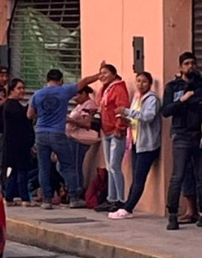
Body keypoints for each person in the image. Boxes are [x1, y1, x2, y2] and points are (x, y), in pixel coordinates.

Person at [29, 67, 105, 210]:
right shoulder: (64, 91)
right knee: (68, 165)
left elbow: (29, 114)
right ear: (61, 80)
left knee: (43, 167)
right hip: (58, 133)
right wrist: (99, 73)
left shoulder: (37, 94)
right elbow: (85, 81)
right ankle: (74, 197)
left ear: (47, 80)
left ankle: (47, 200)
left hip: (41, 133)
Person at [162, 51, 202, 231]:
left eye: (193, 63)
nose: (190, 67)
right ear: (180, 67)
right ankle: (172, 215)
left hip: (201, 136)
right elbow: (166, 111)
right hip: (181, 136)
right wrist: (182, 101)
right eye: (186, 64)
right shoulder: (173, 87)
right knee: (178, 176)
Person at [109, 71, 161, 219]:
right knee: (135, 177)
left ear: (150, 84)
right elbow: (136, 120)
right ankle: (127, 206)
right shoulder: (137, 98)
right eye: (138, 81)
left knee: (139, 178)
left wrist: (127, 112)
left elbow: (148, 117)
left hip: (147, 145)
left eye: (144, 82)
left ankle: (128, 208)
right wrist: (127, 120)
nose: (140, 85)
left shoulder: (152, 99)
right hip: (136, 142)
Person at [94, 64, 131, 213]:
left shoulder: (118, 89)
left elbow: (121, 110)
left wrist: (119, 127)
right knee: (110, 167)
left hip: (116, 132)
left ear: (114, 74)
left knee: (115, 166)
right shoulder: (105, 89)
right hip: (106, 131)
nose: (101, 76)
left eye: (105, 73)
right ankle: (111, 198)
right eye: (100, 73)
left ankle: (121, 200)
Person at [0, 80, 34, 205]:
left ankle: (10, 196)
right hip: (17, 145)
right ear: (11, 90)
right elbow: (24, 117)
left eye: (23, 88)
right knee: (21, 171)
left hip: (17, 144)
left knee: (15, 171)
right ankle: (24, 197)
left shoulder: (14, 105)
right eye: (19, 88)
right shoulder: (11, 106)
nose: (22, 91)